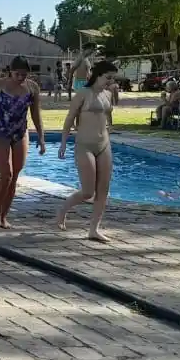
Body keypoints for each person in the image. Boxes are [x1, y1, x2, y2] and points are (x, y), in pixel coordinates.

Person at [0, 56, 45, 229]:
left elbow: (36, 114)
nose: (21, 78)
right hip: (0, 134)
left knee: (14, 178)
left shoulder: (32, 88)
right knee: (6, 175)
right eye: (17, 74)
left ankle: (4, 217)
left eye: (24, 75)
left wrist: (41, 137)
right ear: (10, 71)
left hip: (20, 134)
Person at [55, 60, 117, 242]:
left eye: (112, 78)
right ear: (98, 75)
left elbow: (107, 114)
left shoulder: (107, 93)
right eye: (108, 77)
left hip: (104, 144)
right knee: (88, 192)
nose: (110, 81)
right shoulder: (83, 94)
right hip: (85, 145)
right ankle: (62, 210)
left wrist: (110, 126)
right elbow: (69, 119)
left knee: (103, 190)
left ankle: (94, 230)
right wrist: (63, 143)